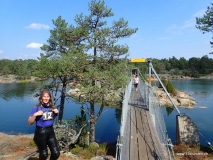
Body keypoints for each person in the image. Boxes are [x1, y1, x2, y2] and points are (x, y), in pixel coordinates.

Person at [28, 90, 60, 160]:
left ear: (50, 98)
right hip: (40, 133)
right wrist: (35, 115)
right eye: (44, 96)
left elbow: (51, 120)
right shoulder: (36, 108)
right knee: (44, 154)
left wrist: (55, 113)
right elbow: (29, 123)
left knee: (56, 153)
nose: (46, 98)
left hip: (50, 132)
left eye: (47, 96)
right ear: (41, 98)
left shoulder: (52, 107)